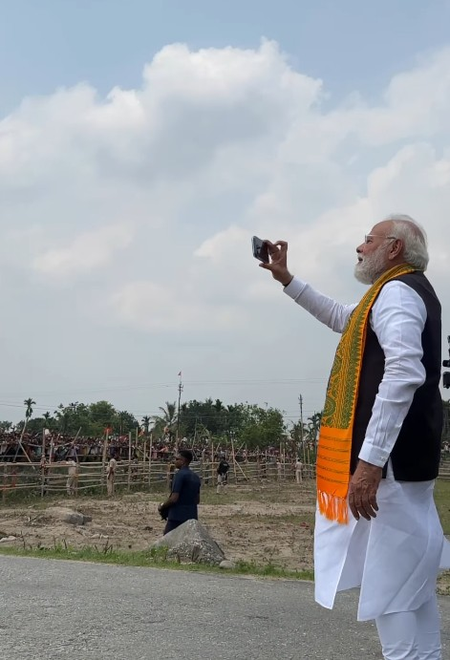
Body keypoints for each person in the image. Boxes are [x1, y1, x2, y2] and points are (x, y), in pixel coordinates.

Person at [260, 214, 450, 660]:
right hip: (409, 462)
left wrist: (369, 461)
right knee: (413, 586)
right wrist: (287, 278)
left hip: (392, 468)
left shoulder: (397, 292)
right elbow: (340, 317)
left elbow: (402, 373)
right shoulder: (395, 293)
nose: (360, 247)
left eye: (369, 239)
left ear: (394, 248)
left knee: (391, 587)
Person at [158, 450, 201, 535]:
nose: (175, 461)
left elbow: (174, 499)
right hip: (192, 516)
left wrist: (162, 506)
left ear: (183, 461)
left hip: (177, 516)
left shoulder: (180, 475)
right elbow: (197, 500)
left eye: (177, 459)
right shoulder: (196, 477)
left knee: (167, 540)